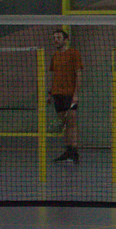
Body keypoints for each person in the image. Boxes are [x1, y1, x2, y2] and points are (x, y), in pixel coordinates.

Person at [49, 27, 84, 163]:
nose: (56, 40)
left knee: (72, 122)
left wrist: (76, 95)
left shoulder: (74, 53)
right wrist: (50, 93)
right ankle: (68, 151)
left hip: (70, 95)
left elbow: (78, 74)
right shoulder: (55, 56)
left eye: (58, 38)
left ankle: (74, 152)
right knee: (63, 123)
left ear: (66, 39)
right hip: (57, 94)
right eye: (54, 38)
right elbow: (54, 75)